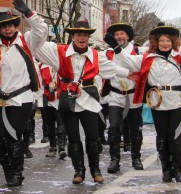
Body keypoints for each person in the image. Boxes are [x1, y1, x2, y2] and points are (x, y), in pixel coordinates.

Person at [108, 21, 181, 183]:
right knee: (161, 136)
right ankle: (166, 170)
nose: (165, 43)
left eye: (168, 40)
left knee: (174, 136)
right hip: (158, 101)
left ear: (172, 42)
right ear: (156, 42)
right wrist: (116, 48)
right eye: (161, 41)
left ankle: (177, 169)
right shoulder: (147, 58)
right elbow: (127, 61)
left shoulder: (179, 55)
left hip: (176, 100)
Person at [35, 20, 135, 184]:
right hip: (68, 100)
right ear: (73, 36)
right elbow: (36, 45)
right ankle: (79, 171)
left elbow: (111, 68)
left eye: (85, 35)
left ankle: (95, 170)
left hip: (88, 100)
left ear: (89, 37)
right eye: (79, 35)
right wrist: (32, 19)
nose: (82, 38)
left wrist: (127, 73)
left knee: (93, 137)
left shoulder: (96, 55)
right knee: (74, 139)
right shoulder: (58, 51)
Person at [0, 0, 48, 187]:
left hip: (20, 99)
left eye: (10, 25)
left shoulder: (27, 42)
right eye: (3, 27)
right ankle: (7, 167)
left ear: (15, 26)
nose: (8, 29)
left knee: (13, 136)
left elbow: (42, 31)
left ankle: (16, 172)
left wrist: (30, 14)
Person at [102, 23, 144, 172]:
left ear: (127, 36)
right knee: (113, 128)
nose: (119, 37)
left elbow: (138, 67)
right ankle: (114, 160)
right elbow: (104, 69)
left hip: (133, 96)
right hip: (115, 95)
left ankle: (136, 158)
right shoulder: (107, 53)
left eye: (122, 34)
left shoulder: (137, 51)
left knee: (135, 129)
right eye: (117, 35)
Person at [39, 62, 68, 159]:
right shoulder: (42, 67)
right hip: (48, 98)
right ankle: (52, 148)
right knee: (50, 124)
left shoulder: (61, 65)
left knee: (61, 124)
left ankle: (61, 148)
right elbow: (39, 84)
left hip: (60, 97)